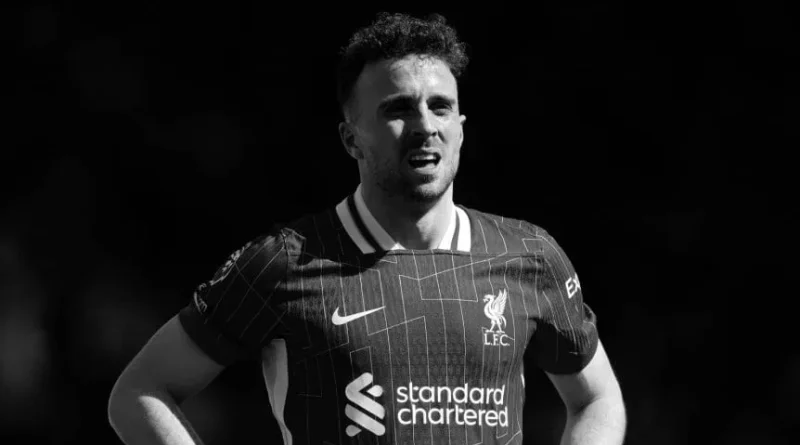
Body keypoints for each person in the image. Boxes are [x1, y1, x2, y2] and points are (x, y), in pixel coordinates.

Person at [108, 12, 626, 445]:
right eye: (398, 109)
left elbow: (597, 399)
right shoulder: (285, 262)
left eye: (440, 106)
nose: (425, 125)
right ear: (350, 138)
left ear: (461, 129)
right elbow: (140, 392)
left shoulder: (528, 256)